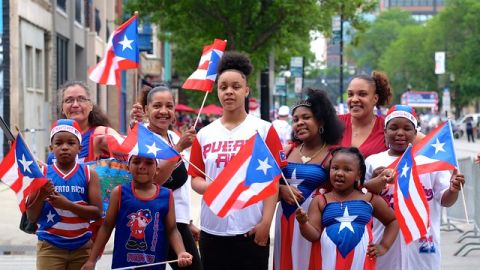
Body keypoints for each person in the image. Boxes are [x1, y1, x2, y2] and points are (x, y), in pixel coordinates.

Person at [188, 51, 287, 270]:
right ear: (217, 92)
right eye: (223, 87)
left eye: (235, 86)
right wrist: (212, 186)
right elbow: (195, 179)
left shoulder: (263, 129)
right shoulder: (204, 134)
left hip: (251, 229)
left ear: (246, 91)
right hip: (213, 229)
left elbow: (272, 181)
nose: (229, 92)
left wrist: (265, 223)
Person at [364, 105, 465, 270]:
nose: (400, 133)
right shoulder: (372, 162)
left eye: (407, 128)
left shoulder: (430, 163)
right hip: (384, 244)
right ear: (385, 132)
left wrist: (453, 189)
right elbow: (362, 196)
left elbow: (445, 200)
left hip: (424, 246)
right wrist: (377, 182)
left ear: (416, 132)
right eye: (393, 128)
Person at [130, 85, 202, 270]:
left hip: (178, 222)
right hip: (154, 222)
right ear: (146, 110)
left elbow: (180, 186)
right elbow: (153, 182)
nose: (164, 111)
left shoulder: (172, 135)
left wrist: (188, 221)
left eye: (169, 106)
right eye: (157, 106)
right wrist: (177, 149)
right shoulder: (141, 138)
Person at [81, 153, 193, 270]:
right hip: (123, 265)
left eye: (149, 163)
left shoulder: (167, 195)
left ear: (157, 169)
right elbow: (106, 227)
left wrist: (181, 252)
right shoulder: (119, 193)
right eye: (136, 162)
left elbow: (172, 230)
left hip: (154, 265)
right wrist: (91, 260)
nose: (142, 166)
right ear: (128, 166)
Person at [273, 88, 344, 270]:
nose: (300, 123)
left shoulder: (334, 155)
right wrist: (280, 190)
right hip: (285, 220)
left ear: (320, 121)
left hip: (314, 224)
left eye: (306, 117)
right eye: (295, 120)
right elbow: (267, 183)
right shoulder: (286, 151)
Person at [295, 147, 399, 269]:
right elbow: (313, 235)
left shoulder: (370, 199)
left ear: (358, 175)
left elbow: (393, 220)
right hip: (327, 263)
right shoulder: (320, 200)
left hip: (361, 264)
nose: (339, 173)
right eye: (335, 168)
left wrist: (384, 246)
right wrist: (303, 223)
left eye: (347, 169)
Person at [26, 119, 103, 270]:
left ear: (80, 148)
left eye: (71, 143)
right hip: (50, 246)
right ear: (51, 148)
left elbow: (97, 213)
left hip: (82, 247)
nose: (65, 147)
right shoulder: (42, 174)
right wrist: (41, 195)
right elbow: (31, 216)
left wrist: (67, 205)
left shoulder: (89, 174)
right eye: (59, 143)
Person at [48, 81, 113, 164]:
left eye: (81, 99)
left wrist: (134, 125)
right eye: (69, 100)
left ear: (90, 106)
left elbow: (130, 153)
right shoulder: (53, 154)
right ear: (62, 108)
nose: (75, 105)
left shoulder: (103, 133)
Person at [338, 71, 393, 158]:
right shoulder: (334, 123)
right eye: (350, 94)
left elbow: (421, 142)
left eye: (362, 94)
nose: (354, 99)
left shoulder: (388, 127)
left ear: (375, 98)